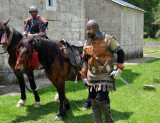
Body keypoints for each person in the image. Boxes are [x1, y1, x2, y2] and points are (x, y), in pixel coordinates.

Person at [80, 20, 125, 123]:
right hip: (92, 75)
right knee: (93, 101)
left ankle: (109, 121)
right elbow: (84, 59)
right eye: (87, 29)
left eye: (89, 29)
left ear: (95, 29)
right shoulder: (87, 42)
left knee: (101, 99)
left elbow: (121, 53)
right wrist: (83, 73)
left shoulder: (108, 39)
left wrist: (119, 69)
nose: (87, 31)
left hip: (105, 74)